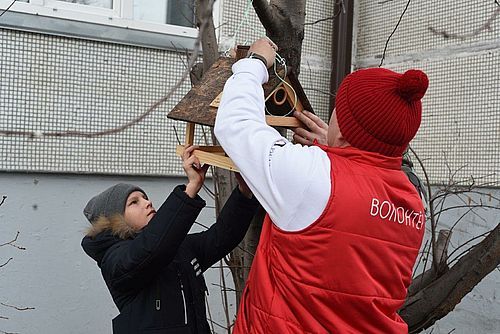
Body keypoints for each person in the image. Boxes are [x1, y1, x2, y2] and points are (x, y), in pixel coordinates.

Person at [214, 38, 429, 333]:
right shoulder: (413, 201)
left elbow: (235, 125)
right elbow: (361, 187)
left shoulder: (311, 176)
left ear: (342, 132)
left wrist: (254, 63)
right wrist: (336, 149)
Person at [81, 145, 258, 334]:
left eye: (144, 198)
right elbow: (150, 250)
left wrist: (244, 192)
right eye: (134, 202)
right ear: (115, 219)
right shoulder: (114, 260)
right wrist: (190, 189)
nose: (147, 202)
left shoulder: (178, 248)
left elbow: (222, 237)